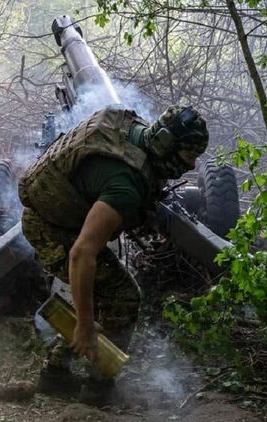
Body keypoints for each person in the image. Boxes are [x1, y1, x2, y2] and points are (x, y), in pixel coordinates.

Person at [18, 104, 208, 404]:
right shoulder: (125, 187)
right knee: (123, 296)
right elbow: (81, 253)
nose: (193, 165)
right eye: (189, 155)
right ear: (166, 146)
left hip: (63, 214)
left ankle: (56, 373)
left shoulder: (131, 126)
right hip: (52, 230)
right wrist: (83, 323)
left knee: (99, 290)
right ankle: (97, 386)